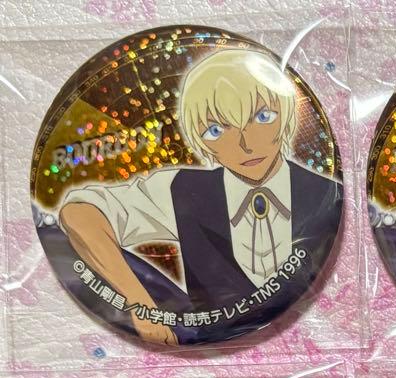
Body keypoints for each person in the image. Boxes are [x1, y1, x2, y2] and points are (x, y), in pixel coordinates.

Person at [57, 48, 341, 343]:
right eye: (216, 130)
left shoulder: (327, 194)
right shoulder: (183, 189)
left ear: (287, 114)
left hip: (315, 333)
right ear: (199, 139)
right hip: (213, 349)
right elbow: (79, 214)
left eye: (262, 117)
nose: (245, 145)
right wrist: (139, 305)